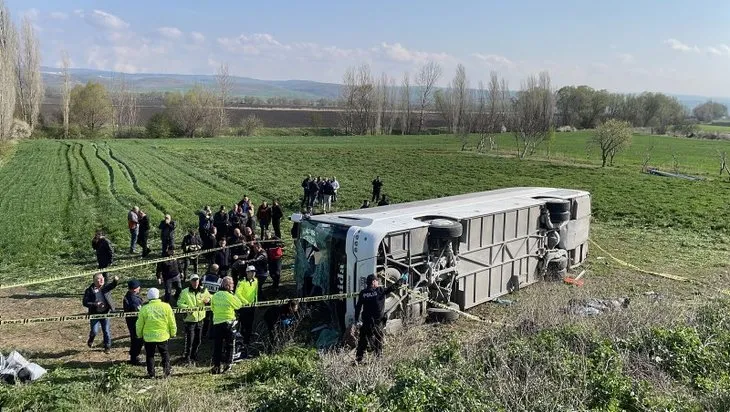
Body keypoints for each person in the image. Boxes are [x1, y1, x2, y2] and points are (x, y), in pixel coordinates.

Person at [354, 273, 407, 364]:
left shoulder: (363, 293)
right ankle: (378, 360)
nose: (378, 283)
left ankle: (359, 359)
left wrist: (356, 319)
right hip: (377, 322)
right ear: (373, 282)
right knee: (378, 340)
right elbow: (393, 287)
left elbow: (358, 307)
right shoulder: (380, 290)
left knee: (362, 341)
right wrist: (402, 279)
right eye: (377, 281)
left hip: (366, 322)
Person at [136, 288, 177, 379]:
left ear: (148, 297)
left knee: (150, 355)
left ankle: (151, 374)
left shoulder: (144, 308)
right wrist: (173, 332)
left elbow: (139, 324)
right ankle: (167, 372)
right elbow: (172, 321)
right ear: (158, 295)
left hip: (149, 337)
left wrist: (139, 334)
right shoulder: (166, 306)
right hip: (162, 336)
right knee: (164, 353)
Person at [210, 276, 243, 374]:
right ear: (227, 286)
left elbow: (212, 308)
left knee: (217, 346)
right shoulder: (229, 296)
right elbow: (238, 305)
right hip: (229, 323)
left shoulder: (215, 295)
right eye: (232, 284)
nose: (233, 285)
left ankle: (216, 366)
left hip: (217, 323)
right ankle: (228, 365)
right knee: (230, 345)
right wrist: (233, 295)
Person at [177, 274, 211, 366]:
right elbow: (179, 303)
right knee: (189, 340)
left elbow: (210, 298)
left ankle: (194, 355)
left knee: (198, 340)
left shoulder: (204, 290)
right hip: (190, 320)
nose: (195, 283)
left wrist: (208, 300)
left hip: (200, 319)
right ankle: (187, 357)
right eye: (193, 281)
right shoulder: (185, 292)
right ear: (190, 282)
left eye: (197, 281)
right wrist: (189, 308)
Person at [82, 273, 119, 353]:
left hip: (105, 313)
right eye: (99, 278)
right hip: (94, 314)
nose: (102, 280)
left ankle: (107, 347)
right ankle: (91, 339)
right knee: (94, 331)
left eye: (102, 278)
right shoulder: (89, 290)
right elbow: (85, 302)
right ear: (94, 281)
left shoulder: (105, 287)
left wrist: (115, 280)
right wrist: (95, 304)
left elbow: (112, 285)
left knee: (106, 331)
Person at [235, 266, 258, 355]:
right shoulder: (241, 282)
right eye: (251, 272)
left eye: (254, 272)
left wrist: (256, 303)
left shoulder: (255, 281)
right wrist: (246, 302)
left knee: (250, 324)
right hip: (243, 307)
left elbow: (256, 292)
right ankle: (242, 341)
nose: (253, 273)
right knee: (243, 324)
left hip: (251, 306)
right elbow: (238, 293)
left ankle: (247, 342)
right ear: (247, 272)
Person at [123, 279, 144, 365]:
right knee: (137, 340)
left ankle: (133, 357)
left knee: (134, 339)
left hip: (131, 322)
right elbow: (139, 311)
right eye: (138, 287)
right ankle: (134, 358)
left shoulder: (128, 296)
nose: (140, 288)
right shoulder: (133, 299)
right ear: (135, 289)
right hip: (135, 322)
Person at [201, 264, 222, 338]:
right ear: (217, 271)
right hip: (214, 302)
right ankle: (211, 335)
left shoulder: (204, 278)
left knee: (204, 318)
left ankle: (203, 333)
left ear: (210, 269)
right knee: (213, 319)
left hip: (204, 301)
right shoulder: (220, 280)